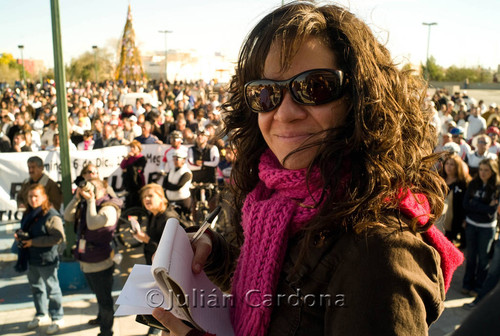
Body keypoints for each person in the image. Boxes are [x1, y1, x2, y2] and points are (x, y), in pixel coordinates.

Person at [151, 3, 463, 335]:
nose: (284, 113)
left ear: (360, 99)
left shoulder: (379, 251)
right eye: (265, 92)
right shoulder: (273, 203)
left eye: (314, 87)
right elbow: (280, 289)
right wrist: (216, 258)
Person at [63, 178, 122, 336]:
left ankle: (106, 331)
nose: (91, 191)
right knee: (98, 295)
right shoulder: (87, 203)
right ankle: (101, 318)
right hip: (87, 260)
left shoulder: (108, 208)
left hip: (100, 262)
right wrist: (77, 198)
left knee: (105, 300)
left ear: (104, 190)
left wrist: (89, 202)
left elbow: (93, 224)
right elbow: (67, 216)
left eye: (94, 188)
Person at [14, 184, 65, 334]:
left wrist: (33, 242)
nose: (33, 199)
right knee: (36, 288)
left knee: (52, 289)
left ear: (44, 197)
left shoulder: (51, 215)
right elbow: (27, 230)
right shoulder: (29, 213)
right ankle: (41, 314)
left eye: (36, 196)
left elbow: (58, 237)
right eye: (30, 196)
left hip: (46, 259)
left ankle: (57, 317)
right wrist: (21, 235)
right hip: (31, 258)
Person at [132, 183, 180, 336]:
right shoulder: (153, 215)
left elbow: (172, 249)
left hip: (168, 273)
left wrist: (146, 240)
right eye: (144, 197)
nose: (146, 199)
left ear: (161, 198)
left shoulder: (168, 217)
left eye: (150, 195)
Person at [462, 158, 500, 296]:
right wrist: (484, 206)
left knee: (483, 258)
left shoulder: (496, 187)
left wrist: (475, 204)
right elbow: (466, 204)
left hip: (487, 227)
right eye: (481, 169)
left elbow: (492, 210)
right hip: (471, 224)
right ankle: (467, 284)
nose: (483, 173)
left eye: (486, 170)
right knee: (471, 257)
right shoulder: (474, 183)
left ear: (493, 171)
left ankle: (478, 287)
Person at [439, 153, 470, 247]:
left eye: (452, 164)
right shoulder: (440, 179)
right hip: (439, 219)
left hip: (454, 220)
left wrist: (464, 219)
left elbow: (465, 203)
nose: (448, 167)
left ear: (457, 167)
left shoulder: (462, 183)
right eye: (447, 163)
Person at [163, 147, 193, 217]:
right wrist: (169, 186)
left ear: (183, 160)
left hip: (182, 201)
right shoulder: (172, 170)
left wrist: (168, 186)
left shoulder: (187, 172)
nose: (175, 161)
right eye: (174, 159)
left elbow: (178, 186)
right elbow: (164, 183)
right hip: (171, 200)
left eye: (177, 159)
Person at [120, 140, 147, 208]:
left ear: (138, 148)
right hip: (129, 181)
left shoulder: (142, 158)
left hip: (137, 181)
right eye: (131, 147)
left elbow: (138, 169)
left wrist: (127, 169)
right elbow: (122, 166)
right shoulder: (130, 157)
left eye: (134, 147)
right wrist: (126, 158)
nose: (132, 149)